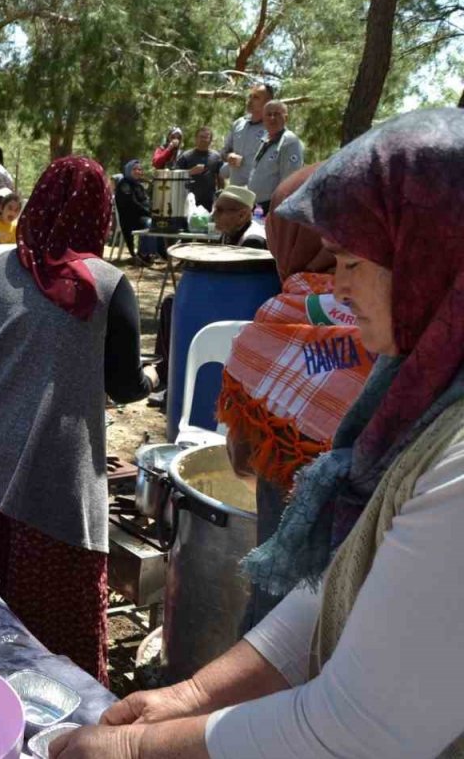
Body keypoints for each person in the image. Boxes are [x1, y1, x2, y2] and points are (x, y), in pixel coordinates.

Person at [48, 108, 464, 759]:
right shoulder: (415, 401)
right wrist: (189, 697)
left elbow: (355, 727)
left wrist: (137, 749)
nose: (338, 285)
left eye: (354, 260)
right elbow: (335, 582)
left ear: (432, 257)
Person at [0, 156, 157, 685]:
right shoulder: (107, 284)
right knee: (52, 634)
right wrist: (147, 383)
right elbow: (124, 384)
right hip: (48, 475)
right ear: (99, 214)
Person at [217, 164, 375, 630]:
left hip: (289, 566)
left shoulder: (277, 315)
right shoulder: (398, 312)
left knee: (280, 631)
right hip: (376, 564)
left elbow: (243, 457)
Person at [246, 99, 304, 209]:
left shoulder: (289, 141)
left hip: (272, 206)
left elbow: (290, 181)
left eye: (277, 114)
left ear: (286, 118)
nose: (272, 118)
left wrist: (278, 208)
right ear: (263, 119)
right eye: (268, 114)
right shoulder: (265, 139)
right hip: (256, 205)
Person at [221, 82, 274, 186]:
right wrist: (229, 156)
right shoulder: (238, 124)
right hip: (236, 192)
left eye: (256, 97)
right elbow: (224, 152)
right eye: (250, 96)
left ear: (268, 102)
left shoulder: (273, 127)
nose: (250, 100)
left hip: (260, 195)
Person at [114, 159, 155, 263]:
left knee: (161, 223)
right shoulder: (124, 185)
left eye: (140, 169)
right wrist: (148, 212)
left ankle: (157, 252)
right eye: (135, 169)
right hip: (130, 219)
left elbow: (145, 201)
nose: (138, 171)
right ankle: (143, 254)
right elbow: (132, 205)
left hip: (140, 217)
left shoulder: (138, 185)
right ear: (128, 170)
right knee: (151, 223)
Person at [175, 126, 225, 211]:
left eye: (206, 137)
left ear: (210, 140)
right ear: (196, 138)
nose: (203, 140)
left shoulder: (216, 157)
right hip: (189, 198)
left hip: (209, 200)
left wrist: (220, 195)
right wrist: (190, 172)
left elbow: (221, 178)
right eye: (201, 137)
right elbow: (176, 175)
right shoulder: (186, 156)